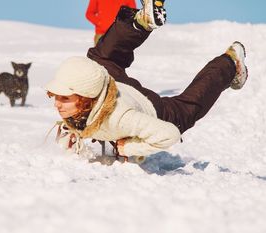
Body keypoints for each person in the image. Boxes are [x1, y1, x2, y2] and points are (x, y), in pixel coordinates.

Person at [46, 0, 248, 162]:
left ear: (84, 98)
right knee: (100, 59)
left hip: (152, 108)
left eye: (64, 98)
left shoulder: (120, 118)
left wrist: (129, 147)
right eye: (57, 96)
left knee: (186, 110)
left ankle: (230, 63)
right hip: (114, 85)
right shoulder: (84, 99)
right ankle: (139, 22)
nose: (56, 103)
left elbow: (170, 134)